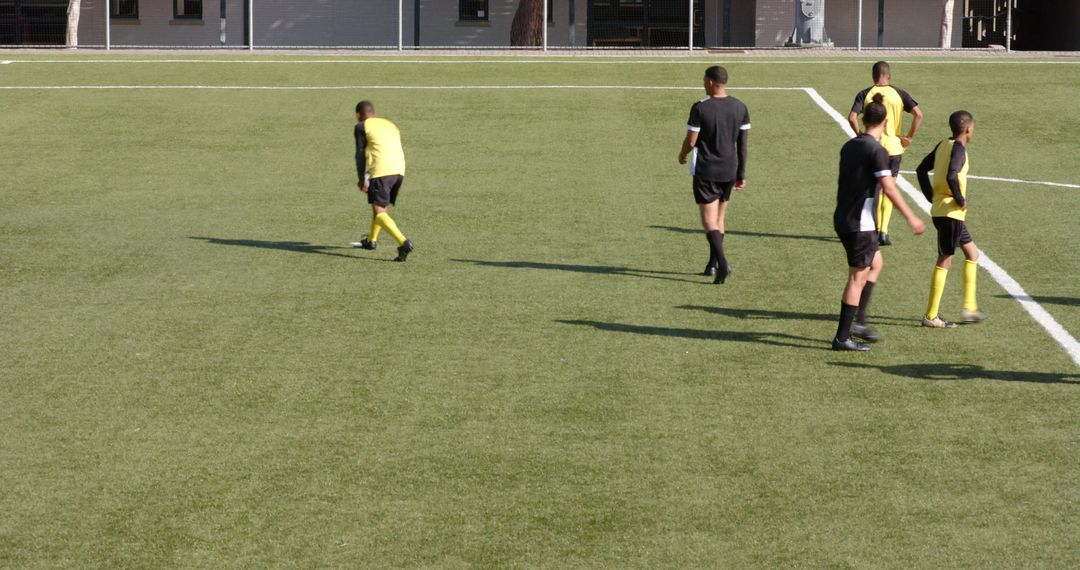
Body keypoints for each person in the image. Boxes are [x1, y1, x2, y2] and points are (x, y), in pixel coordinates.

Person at [832, 94, 926, 351]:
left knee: (876, 262)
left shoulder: (850, 145)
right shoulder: (877, 150)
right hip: (859, 222)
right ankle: (842, 337)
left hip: (843, 216)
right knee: (856, 277)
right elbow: (889, 188)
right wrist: (911, 217)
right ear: (885, 123)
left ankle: (859, 322)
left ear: (863, 119)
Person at [677, 65, 750, 284]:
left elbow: (691, 140)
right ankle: (712, 265)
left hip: (706, 170)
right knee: (720, 219)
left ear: (710, 82)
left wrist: (681, 154)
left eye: (703, 80)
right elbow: (743, 145)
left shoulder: (701, 108)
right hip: (729, 170)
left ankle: (722, 263)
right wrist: (741, 173)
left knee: (709, 221)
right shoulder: (740, 107)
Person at [915, 110, 985, 328]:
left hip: (944, 212)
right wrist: (960, 198)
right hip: (950, 213)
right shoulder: (959, 149)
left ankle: (969, 308)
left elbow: (920, 169)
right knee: (945, 258)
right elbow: (952, 175)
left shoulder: (942, 144)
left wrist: (931, 197)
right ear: (968, 129)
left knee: (972, 253)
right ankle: (931, 315)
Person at [846, 61, 923, 247]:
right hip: (894, 149)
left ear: (873, 76)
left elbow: (852, 117)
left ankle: (871, 228)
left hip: (873, 148)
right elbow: (918, 115)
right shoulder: (899, 93)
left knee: (873, 191)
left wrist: (860, 136)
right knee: (889, 191)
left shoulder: (865, 94)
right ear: (889, 76)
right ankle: (884, 232)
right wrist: (909, 138)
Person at [349, 100, 414, 262]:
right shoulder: (389, 124)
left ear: (358, 115)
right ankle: (371, 241)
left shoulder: (361, 126)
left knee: (380, 212)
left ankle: (403, 242)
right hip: (399, 169)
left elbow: (359, 153)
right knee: (379, 207)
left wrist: (360, 179)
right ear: (374, 113)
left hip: (382, 171)